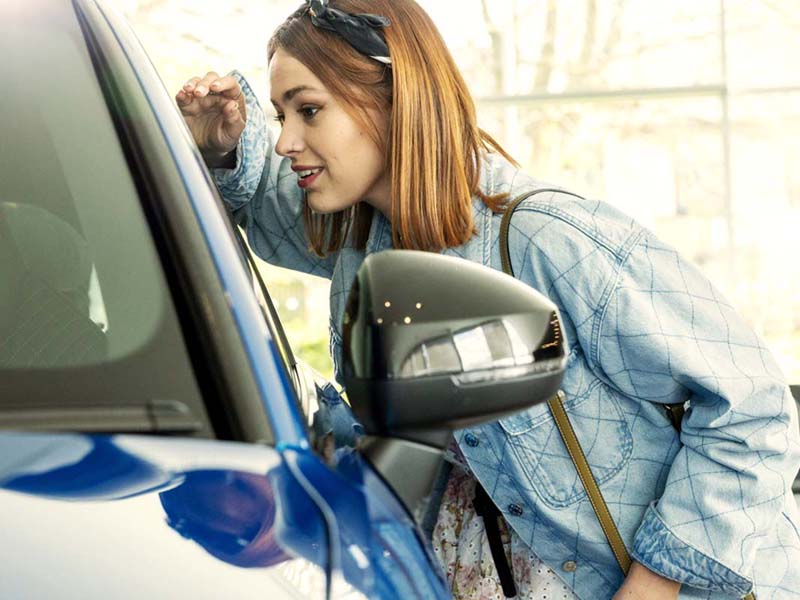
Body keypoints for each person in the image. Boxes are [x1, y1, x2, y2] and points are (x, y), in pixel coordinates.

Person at [175, 1, 800, 598]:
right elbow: (267, 209)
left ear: (394, 104)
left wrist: (651, 589)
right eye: (282, 117)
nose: (285, 141)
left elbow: (752, 407)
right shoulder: (364, 242)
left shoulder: (547, 238)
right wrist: (225, 143)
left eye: (308, 111)